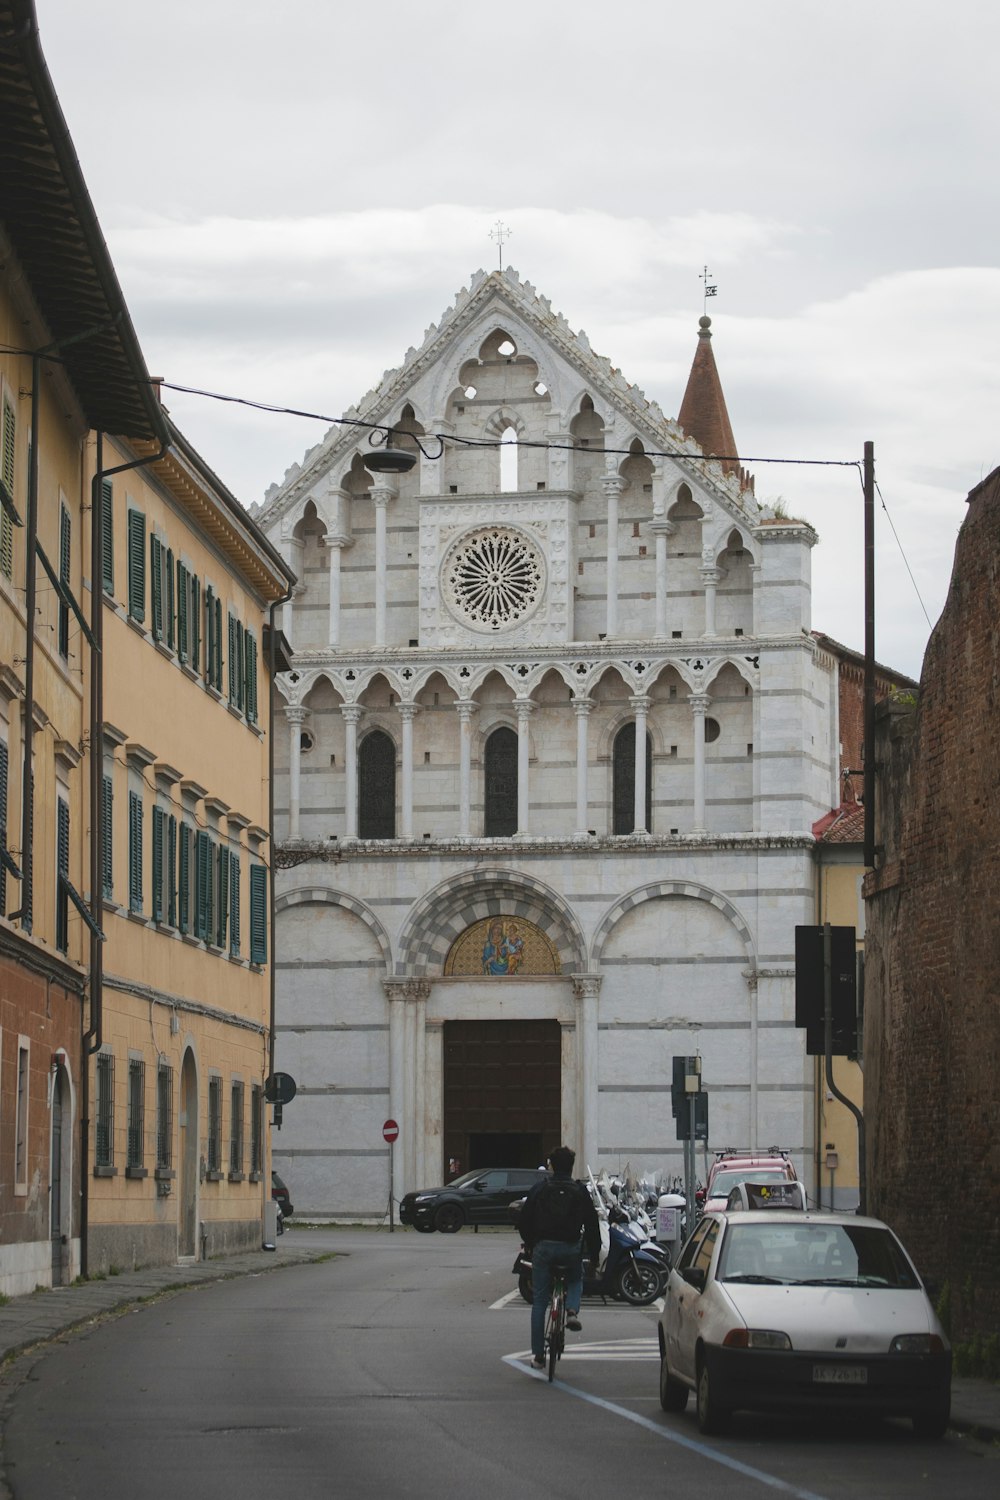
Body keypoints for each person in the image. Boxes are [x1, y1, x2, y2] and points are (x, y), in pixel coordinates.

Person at [518, 1145, 601, 1370]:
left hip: (543, 1249)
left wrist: (532, 1244)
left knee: (540, 1302)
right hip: (570, 1248)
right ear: (572, 1167)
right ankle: (572, 1310)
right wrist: (594, 1256)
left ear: (552, 1166)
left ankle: (537, 1356)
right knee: (575, 1278)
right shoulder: (579, 1191)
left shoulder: (540, 1189)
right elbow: (592, 1225)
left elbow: (524, 1219)